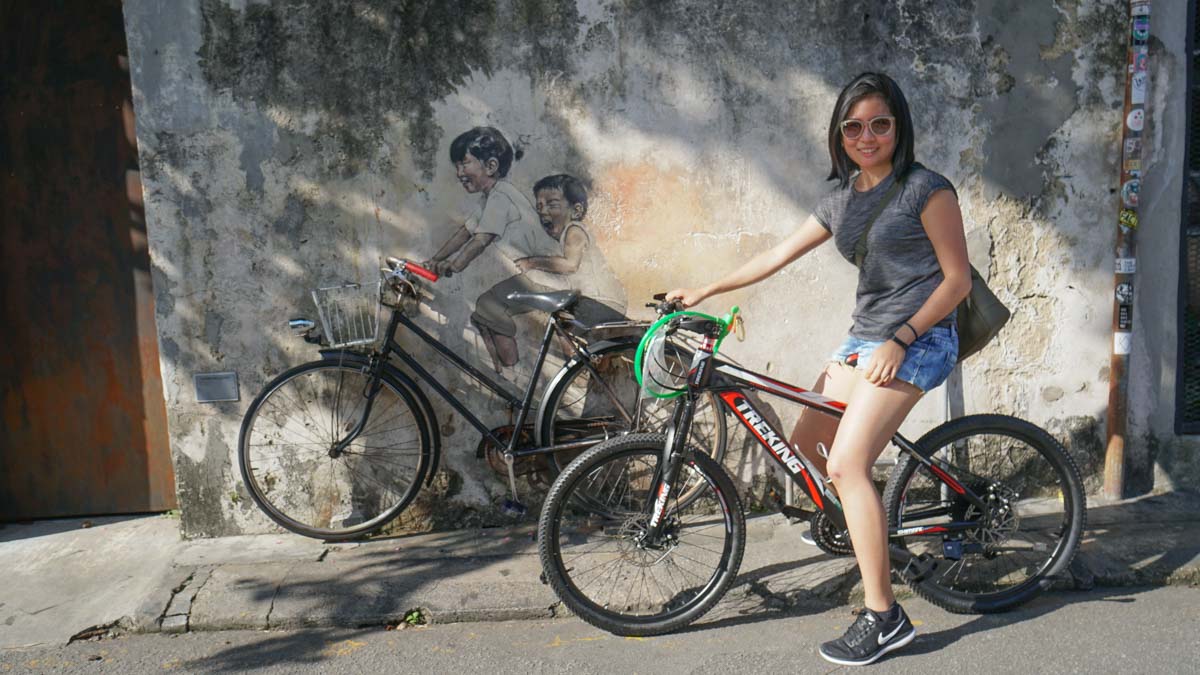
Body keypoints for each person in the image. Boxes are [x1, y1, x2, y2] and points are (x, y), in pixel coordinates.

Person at [666, 72, 970, 667]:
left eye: (879, 124)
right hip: (865, 338)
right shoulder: (842, 198)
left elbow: (956, 280)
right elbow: (776, 255)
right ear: (839, 134)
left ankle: (885, 616)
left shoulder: (928, 190)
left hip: (921, 339)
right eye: (853, 126)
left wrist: (902, 339)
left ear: (898, 126)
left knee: (848, 465)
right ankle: (866, 525)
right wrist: (703, 288)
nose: (866, 136)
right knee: (805, 444)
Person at [425, 126, 560, 371]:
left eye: (464, 164)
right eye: (457, 166)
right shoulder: (489, 198)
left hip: (546, 274)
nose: (459, 172)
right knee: (483, 315)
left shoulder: (501, 197)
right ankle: (504, 374)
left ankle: (515, 373)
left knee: (488, 308)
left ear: (490, 166)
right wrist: (433, 260)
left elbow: (480, 240)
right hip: (534, 274)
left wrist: (453, 265)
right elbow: (465, 234)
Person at [518, 174, 628, 327]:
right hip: (598, 300)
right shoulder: (565, 236)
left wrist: (531, 262)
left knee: (557, 321)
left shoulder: (574, 230)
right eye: (539, 206)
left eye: (552, 205)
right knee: (561, 326)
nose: (543, 211)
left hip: (602, 300)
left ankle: (571, 352)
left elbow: (570, 265)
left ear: (576, 211)